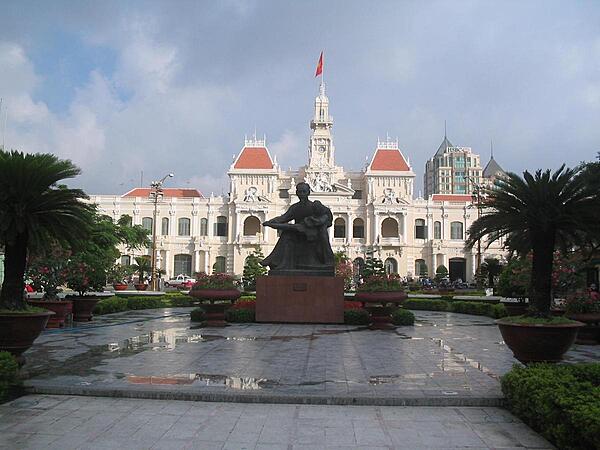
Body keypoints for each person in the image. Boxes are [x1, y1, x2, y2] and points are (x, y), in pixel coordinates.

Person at [261, 182, 334, 275]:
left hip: (312, 234)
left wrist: (317, 224)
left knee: (291, 230)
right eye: (300, 192)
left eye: (304, 191)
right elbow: (283, 218)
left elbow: (327, 216)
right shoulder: (295, 207)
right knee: (286, 235)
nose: (302, 194)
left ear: (308, 192)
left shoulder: (314, 206)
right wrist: (271, 222)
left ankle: (271, 260)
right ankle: (277, 263)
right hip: (299, 232)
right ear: (297, 193)